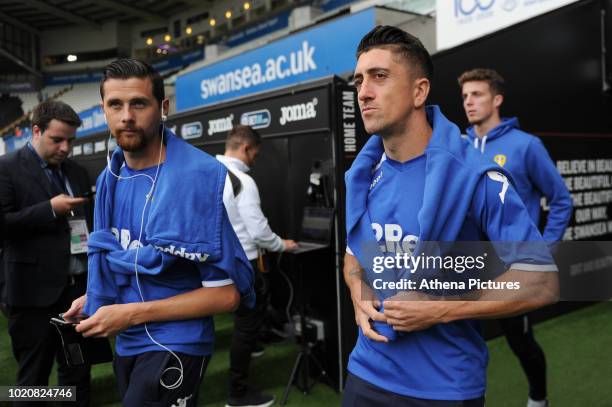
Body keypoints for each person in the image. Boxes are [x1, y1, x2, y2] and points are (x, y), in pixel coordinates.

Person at [343, 25, 560, 407]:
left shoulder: (478, 177)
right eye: (359, 80)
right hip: (365, 372)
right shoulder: (364, 174)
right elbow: (353, 258)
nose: (363, 92)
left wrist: (439, 308)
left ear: (418, 91)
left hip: (442, 387)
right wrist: (359, 291)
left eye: (379, 76)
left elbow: (541, 283)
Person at [62, 58, 255, 407]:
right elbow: (125, 262)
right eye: (115, 105)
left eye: (138, 103)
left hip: (176, 343)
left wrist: (131, 313)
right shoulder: (110, 178)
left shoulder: (194, 178)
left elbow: (227, 296)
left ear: (162, 107)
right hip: (128, 340)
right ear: (103, 110)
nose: (126, 117)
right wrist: (95, 299)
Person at [458, 68, 573, 407]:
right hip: (467, 263)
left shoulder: (525, 146)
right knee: (459, 339)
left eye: (476, 94)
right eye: (465, 96)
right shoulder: (460, 147)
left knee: (520, 342)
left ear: (497, 99)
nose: (469, 102)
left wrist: (543, 250)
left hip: (511, 266)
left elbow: (561, 200)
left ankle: (539, 398)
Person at [0, 100, 93, 406]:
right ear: (35, 131)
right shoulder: (6, 168)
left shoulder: (78, 172)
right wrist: (49, 210)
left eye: (71, 140)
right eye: (57, 140)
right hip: (32, 298)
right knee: (33, 381)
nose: (65, 147)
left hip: (78, 295)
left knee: (78, 374)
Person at [217, 124, 298, 407]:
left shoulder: (208, 172)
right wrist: (281, 245)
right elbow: (258, 230)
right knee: (246, 325)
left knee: (246, 323)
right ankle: (238, 395)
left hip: (219, 264)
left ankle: (252, 348)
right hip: (245, 263)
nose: (253, 161)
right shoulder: (243, 180)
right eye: (254, 155)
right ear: (245, 148)